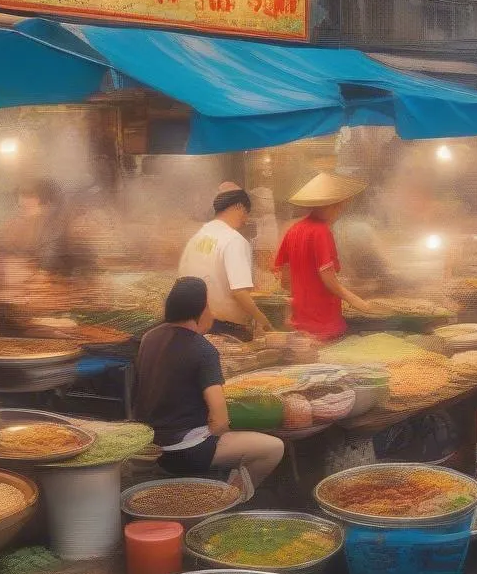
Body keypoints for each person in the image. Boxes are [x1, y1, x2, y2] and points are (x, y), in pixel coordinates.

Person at [134, 277, 284, 485]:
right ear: (200, 310)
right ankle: (229, 498)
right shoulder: (203, 350)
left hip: (148, 445)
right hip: (184, 450)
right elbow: (220, 421)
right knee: (273, 448)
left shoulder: (149, 337)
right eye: (208, 306)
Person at [274, 172, 373, 340]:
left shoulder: (294, 230)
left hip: (301, 320)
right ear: (332, 205)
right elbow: (328, 279)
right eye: (339, 207)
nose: (339, 212)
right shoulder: (321, 232)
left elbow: (284, 278)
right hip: (323, 322)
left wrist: (299, 298)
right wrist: (358, 302)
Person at [178, 183, 273, 342]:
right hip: (226, 329)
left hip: (195, 326)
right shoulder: (234, 240)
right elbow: (239, 292)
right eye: (246, 213)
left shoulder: (197, 237)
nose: (245, 220)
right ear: (238, 207)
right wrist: (263, 320)